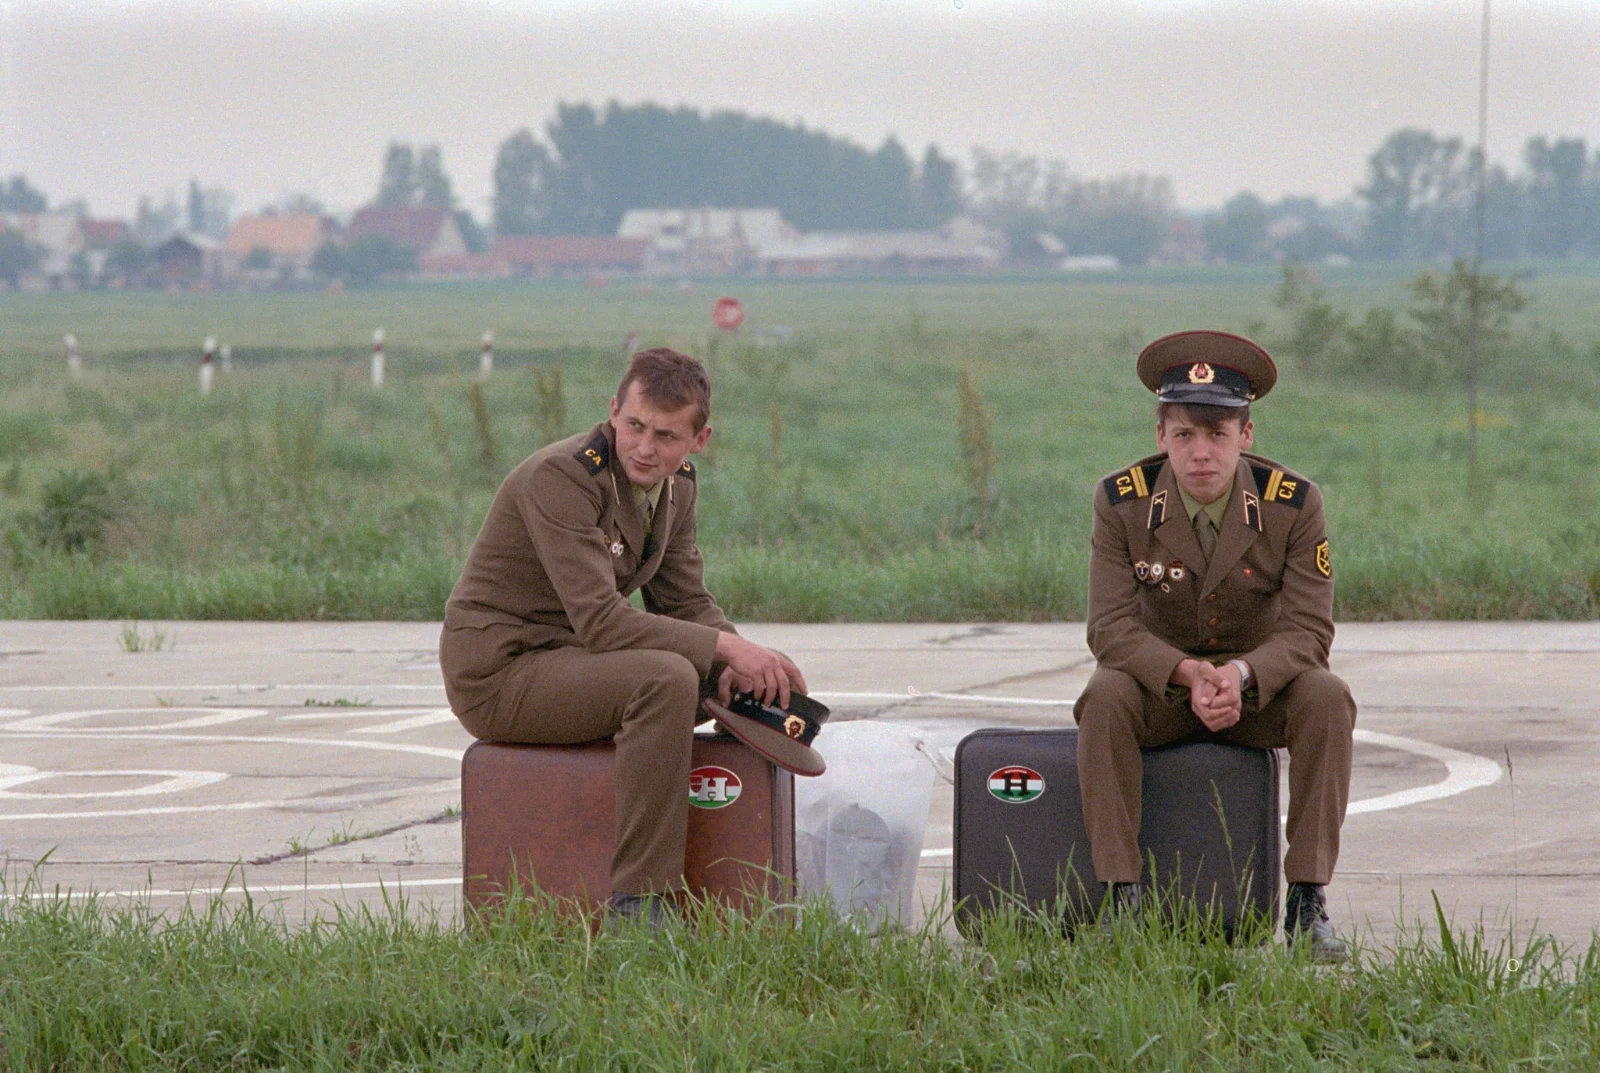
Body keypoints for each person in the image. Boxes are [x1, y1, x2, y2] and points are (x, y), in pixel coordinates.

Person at [440, 346, 806, 926]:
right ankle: (640, 906)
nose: (644, 446)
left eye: (665, 435)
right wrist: (727, 649)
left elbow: (685, 601)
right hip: (502, 673)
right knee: (664, 679)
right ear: (613, 411)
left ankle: (766, 852)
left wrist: (745, 657)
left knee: (729, 670)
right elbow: (604, 623)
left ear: (698, 440)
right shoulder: (562, 477)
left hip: (571, 660)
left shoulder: (676, 487)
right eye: (634, 426)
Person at [1073, 330, 1356, 962]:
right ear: (1160, 438)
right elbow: (1110, 629)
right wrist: (1187, 672)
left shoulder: (1294, 504)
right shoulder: (1121, 503)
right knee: (1104, 695)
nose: (1201, 454)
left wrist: (1242, 675)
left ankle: (1306, 901)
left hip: (1258, 697)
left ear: (1246, 437)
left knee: (1328, 697)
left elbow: (1311, 632)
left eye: (1219, 435)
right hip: (1165, 694)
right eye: (1184, 436)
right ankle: (1122, 898)